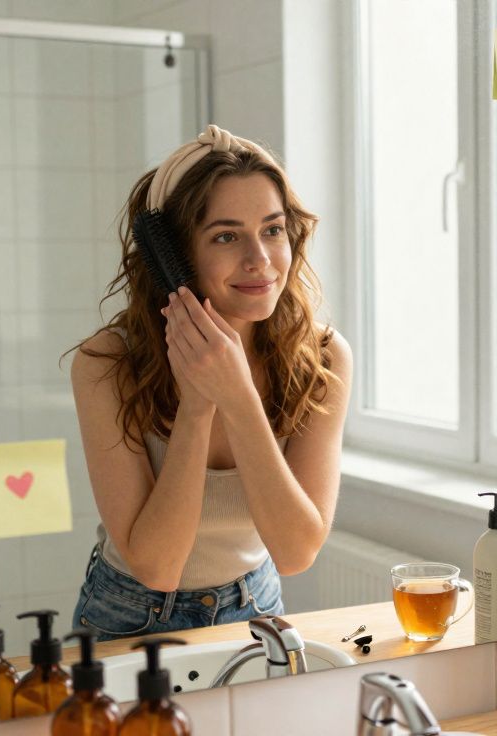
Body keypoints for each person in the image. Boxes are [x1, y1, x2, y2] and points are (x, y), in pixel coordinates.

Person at [66, 125, 352, 641]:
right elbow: (157, 566)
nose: (260, 260)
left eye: (272, 229)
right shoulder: (106, 364)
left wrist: (238, 396)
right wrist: (197, 406)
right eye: (225, 236)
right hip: (129, 616)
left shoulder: (323, 358)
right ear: (170, 257)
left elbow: (295, 552)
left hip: (257, 606)